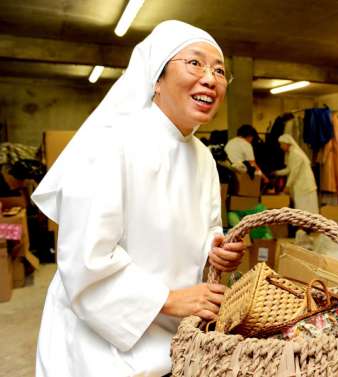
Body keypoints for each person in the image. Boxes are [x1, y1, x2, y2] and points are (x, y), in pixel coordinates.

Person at [31, 20, 245, 377]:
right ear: (156, 79)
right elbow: (87, 259)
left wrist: (217, 248)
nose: (210, 78)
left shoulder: (203, 157)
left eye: (220, 70)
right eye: (195, 63)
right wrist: (169, 299)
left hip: (174, 337)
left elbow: (206, 228)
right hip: (100, 344)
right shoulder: (111, 143)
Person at [275, 134, 319, 214]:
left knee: (306, 207)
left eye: (281, 144)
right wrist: (277, 173)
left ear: (287, 144)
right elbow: (289, 169)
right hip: (300, 184)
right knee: (302, 206)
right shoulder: (291, 153)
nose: (281, 146)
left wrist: (287, 186)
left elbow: (294, 172)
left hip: (305, 183)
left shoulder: (295, 154)